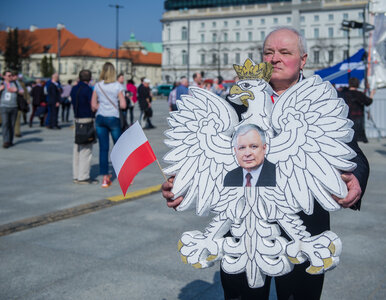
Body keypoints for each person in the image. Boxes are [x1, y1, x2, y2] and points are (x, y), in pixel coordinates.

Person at [162, 26, 370, 300]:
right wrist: (179, 184)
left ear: (303, 59)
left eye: (285, 52)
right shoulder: (234, 107)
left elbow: (354, 154)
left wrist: (356, 180)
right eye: (269, 52)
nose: (275, 58)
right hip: (241, 232)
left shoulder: (322, 101)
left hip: (304, 224)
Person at [91, 62, 126, 188]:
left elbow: (93, 105)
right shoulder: (118, 86)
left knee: (103, 148)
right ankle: (124, 176)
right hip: (113, 118)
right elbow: (123, 105)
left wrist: (101, 106)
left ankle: (105, 178)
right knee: (119, 147)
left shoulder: (98, 85)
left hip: (100, 118)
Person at [71, 70, 98, 184]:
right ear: (90, 78)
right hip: (87, 120)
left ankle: (76, 175)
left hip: (77, 120)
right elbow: (93, 107)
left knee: (77, 148)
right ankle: (84, 176)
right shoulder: (88, 90)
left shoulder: (74, 88)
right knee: (86, 150)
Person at [341, 77, 374, 143]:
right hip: (358, 118)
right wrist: (372, 94)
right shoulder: (359, 94)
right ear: (357, 84)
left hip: (347, 117)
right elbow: (368, 102)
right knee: (357, 137)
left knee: (349, 138)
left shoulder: (344, 94)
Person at [0, 70, 23, 148]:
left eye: (11, 75)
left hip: (14, 107)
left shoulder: (15, 83)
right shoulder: (1, 83)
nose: (11, 77)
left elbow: (22, 91)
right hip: (4, 106)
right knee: (5, 123)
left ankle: (10, 140)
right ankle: (6, 141)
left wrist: (16, 90)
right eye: (9, 75)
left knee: (12, 124)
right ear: (4, 77)